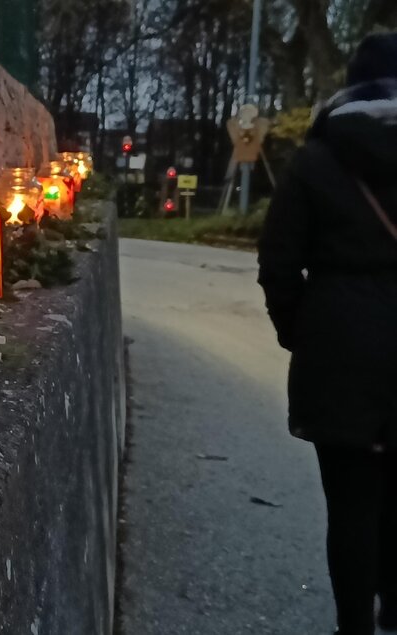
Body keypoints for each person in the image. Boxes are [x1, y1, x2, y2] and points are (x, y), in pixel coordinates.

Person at [259, 32, 397, 635]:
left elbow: (279, 262)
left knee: (351, 502)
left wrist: (300, 332)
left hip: (340, 345)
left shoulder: (317, 158)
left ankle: (354, 627)